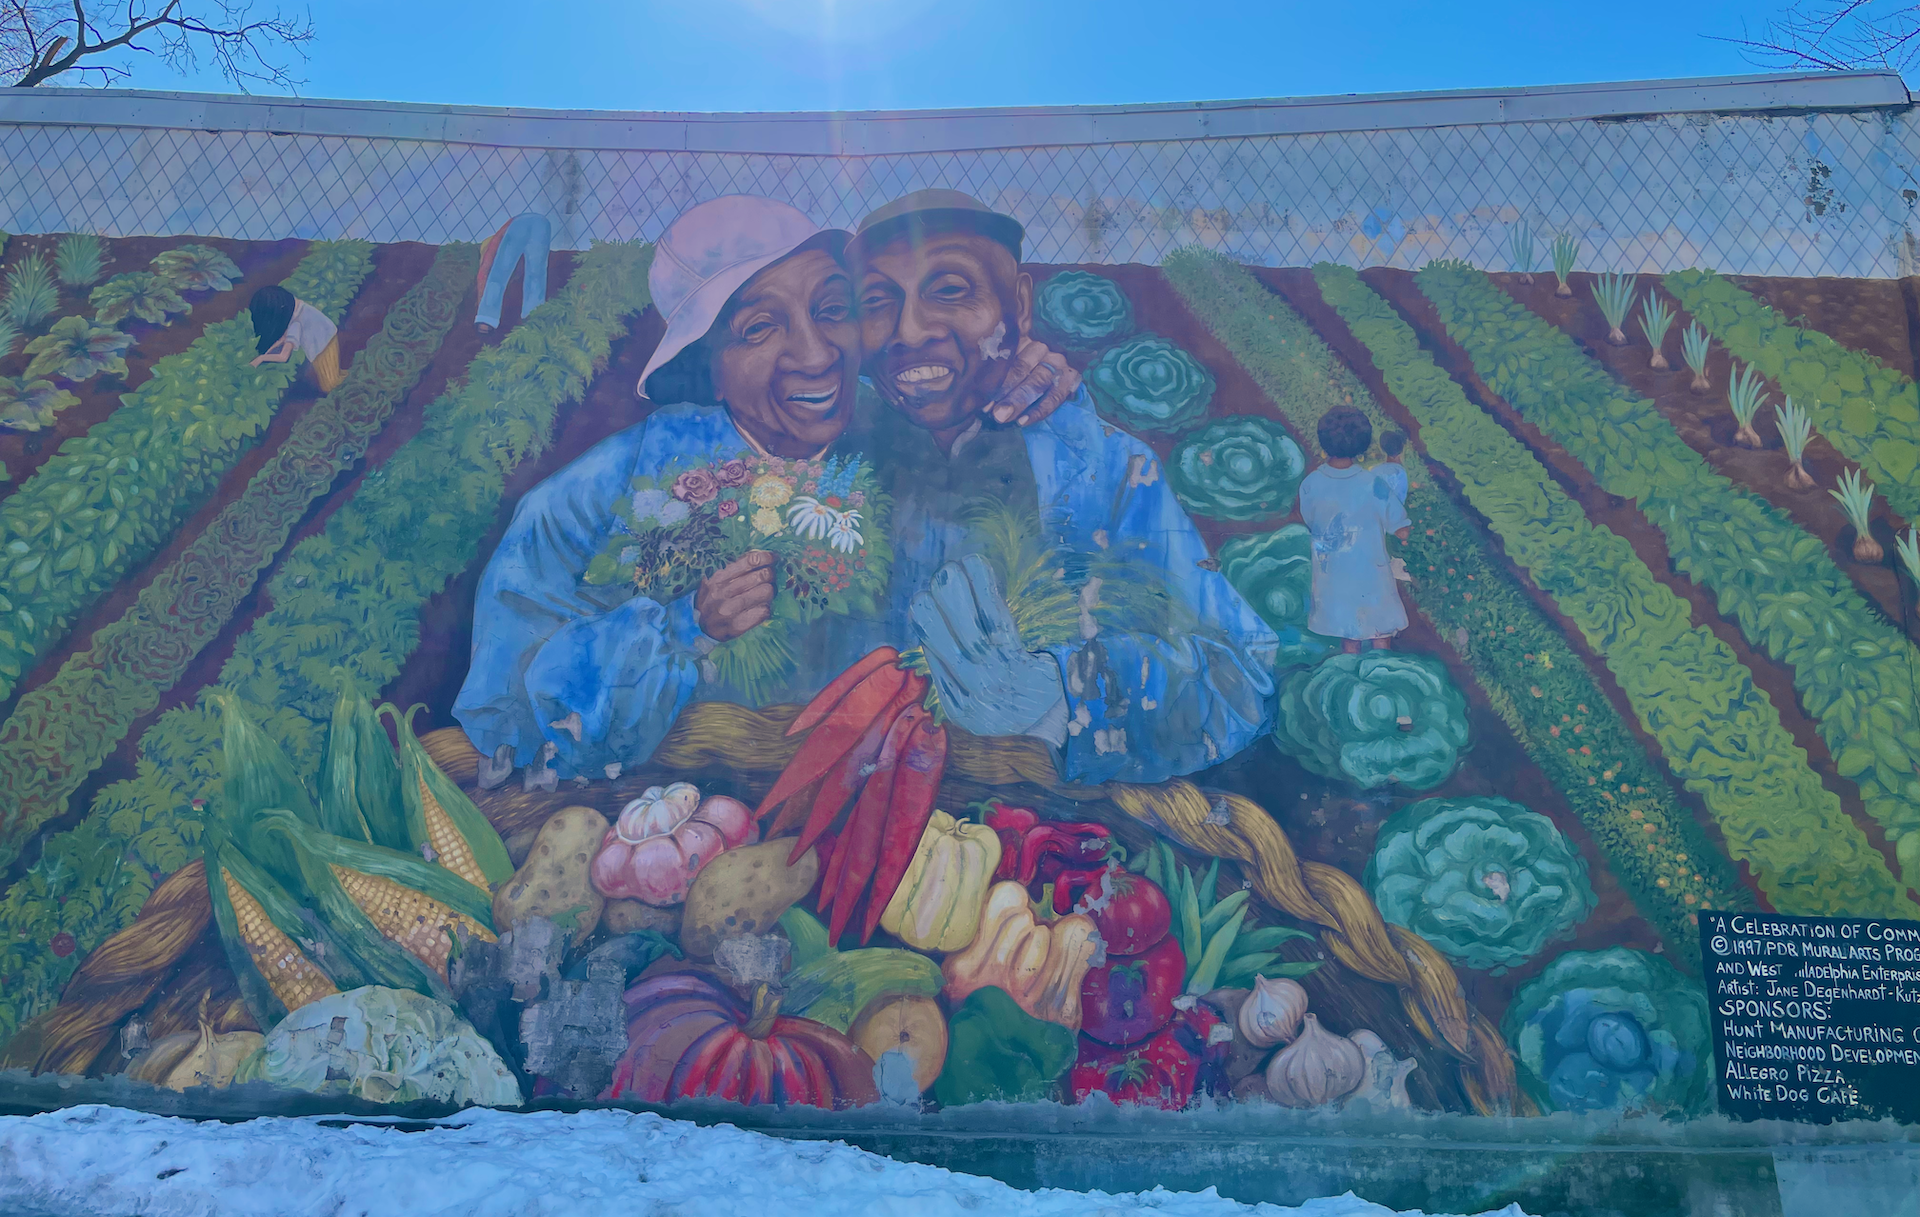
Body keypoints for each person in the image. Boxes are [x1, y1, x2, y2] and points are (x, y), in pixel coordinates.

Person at [453, 194, 1077, 780]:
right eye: (758, 328)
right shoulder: (612, 485)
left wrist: (1023, 387)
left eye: (832, 310)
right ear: (708, 368)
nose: (815, 354)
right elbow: (505, 705)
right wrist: (682, 627)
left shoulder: (912, 435)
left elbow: (1038, 548)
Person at [849, 189, 1279, 785]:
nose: (909, 330)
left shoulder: (1108, 469)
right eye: (876, 301)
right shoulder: (826, 460)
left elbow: (1240, 678)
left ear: (1019, 305)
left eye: (950, 290)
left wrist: (1064, 694)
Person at [1298, 407, 1411, 655]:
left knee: (1349, 635)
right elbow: (1401, 528)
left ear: (1324, 442)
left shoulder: (1311, 484)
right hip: (1371, 574)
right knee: (1380, 632)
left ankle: (1351, 682)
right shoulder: (1373, 485)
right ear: (1363, 446)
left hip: (1333, 576)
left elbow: (1311, 521)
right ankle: (1381, 677)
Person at [247, 285, 343, 392]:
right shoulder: (296, 307)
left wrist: (261, 359)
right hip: (328, 336)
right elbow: (282, 339)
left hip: (322, 347)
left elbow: (283, 357)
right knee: (334, 378)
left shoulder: (295, 324)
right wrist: (266, 353)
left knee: (330, 385)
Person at [475, 214, 552, 334]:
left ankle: (487, 317)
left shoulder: (496, 240)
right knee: (536, 275)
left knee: (500, 271)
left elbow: (486, 271)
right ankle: (532, 316)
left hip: (522, 224)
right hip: (537, 224)